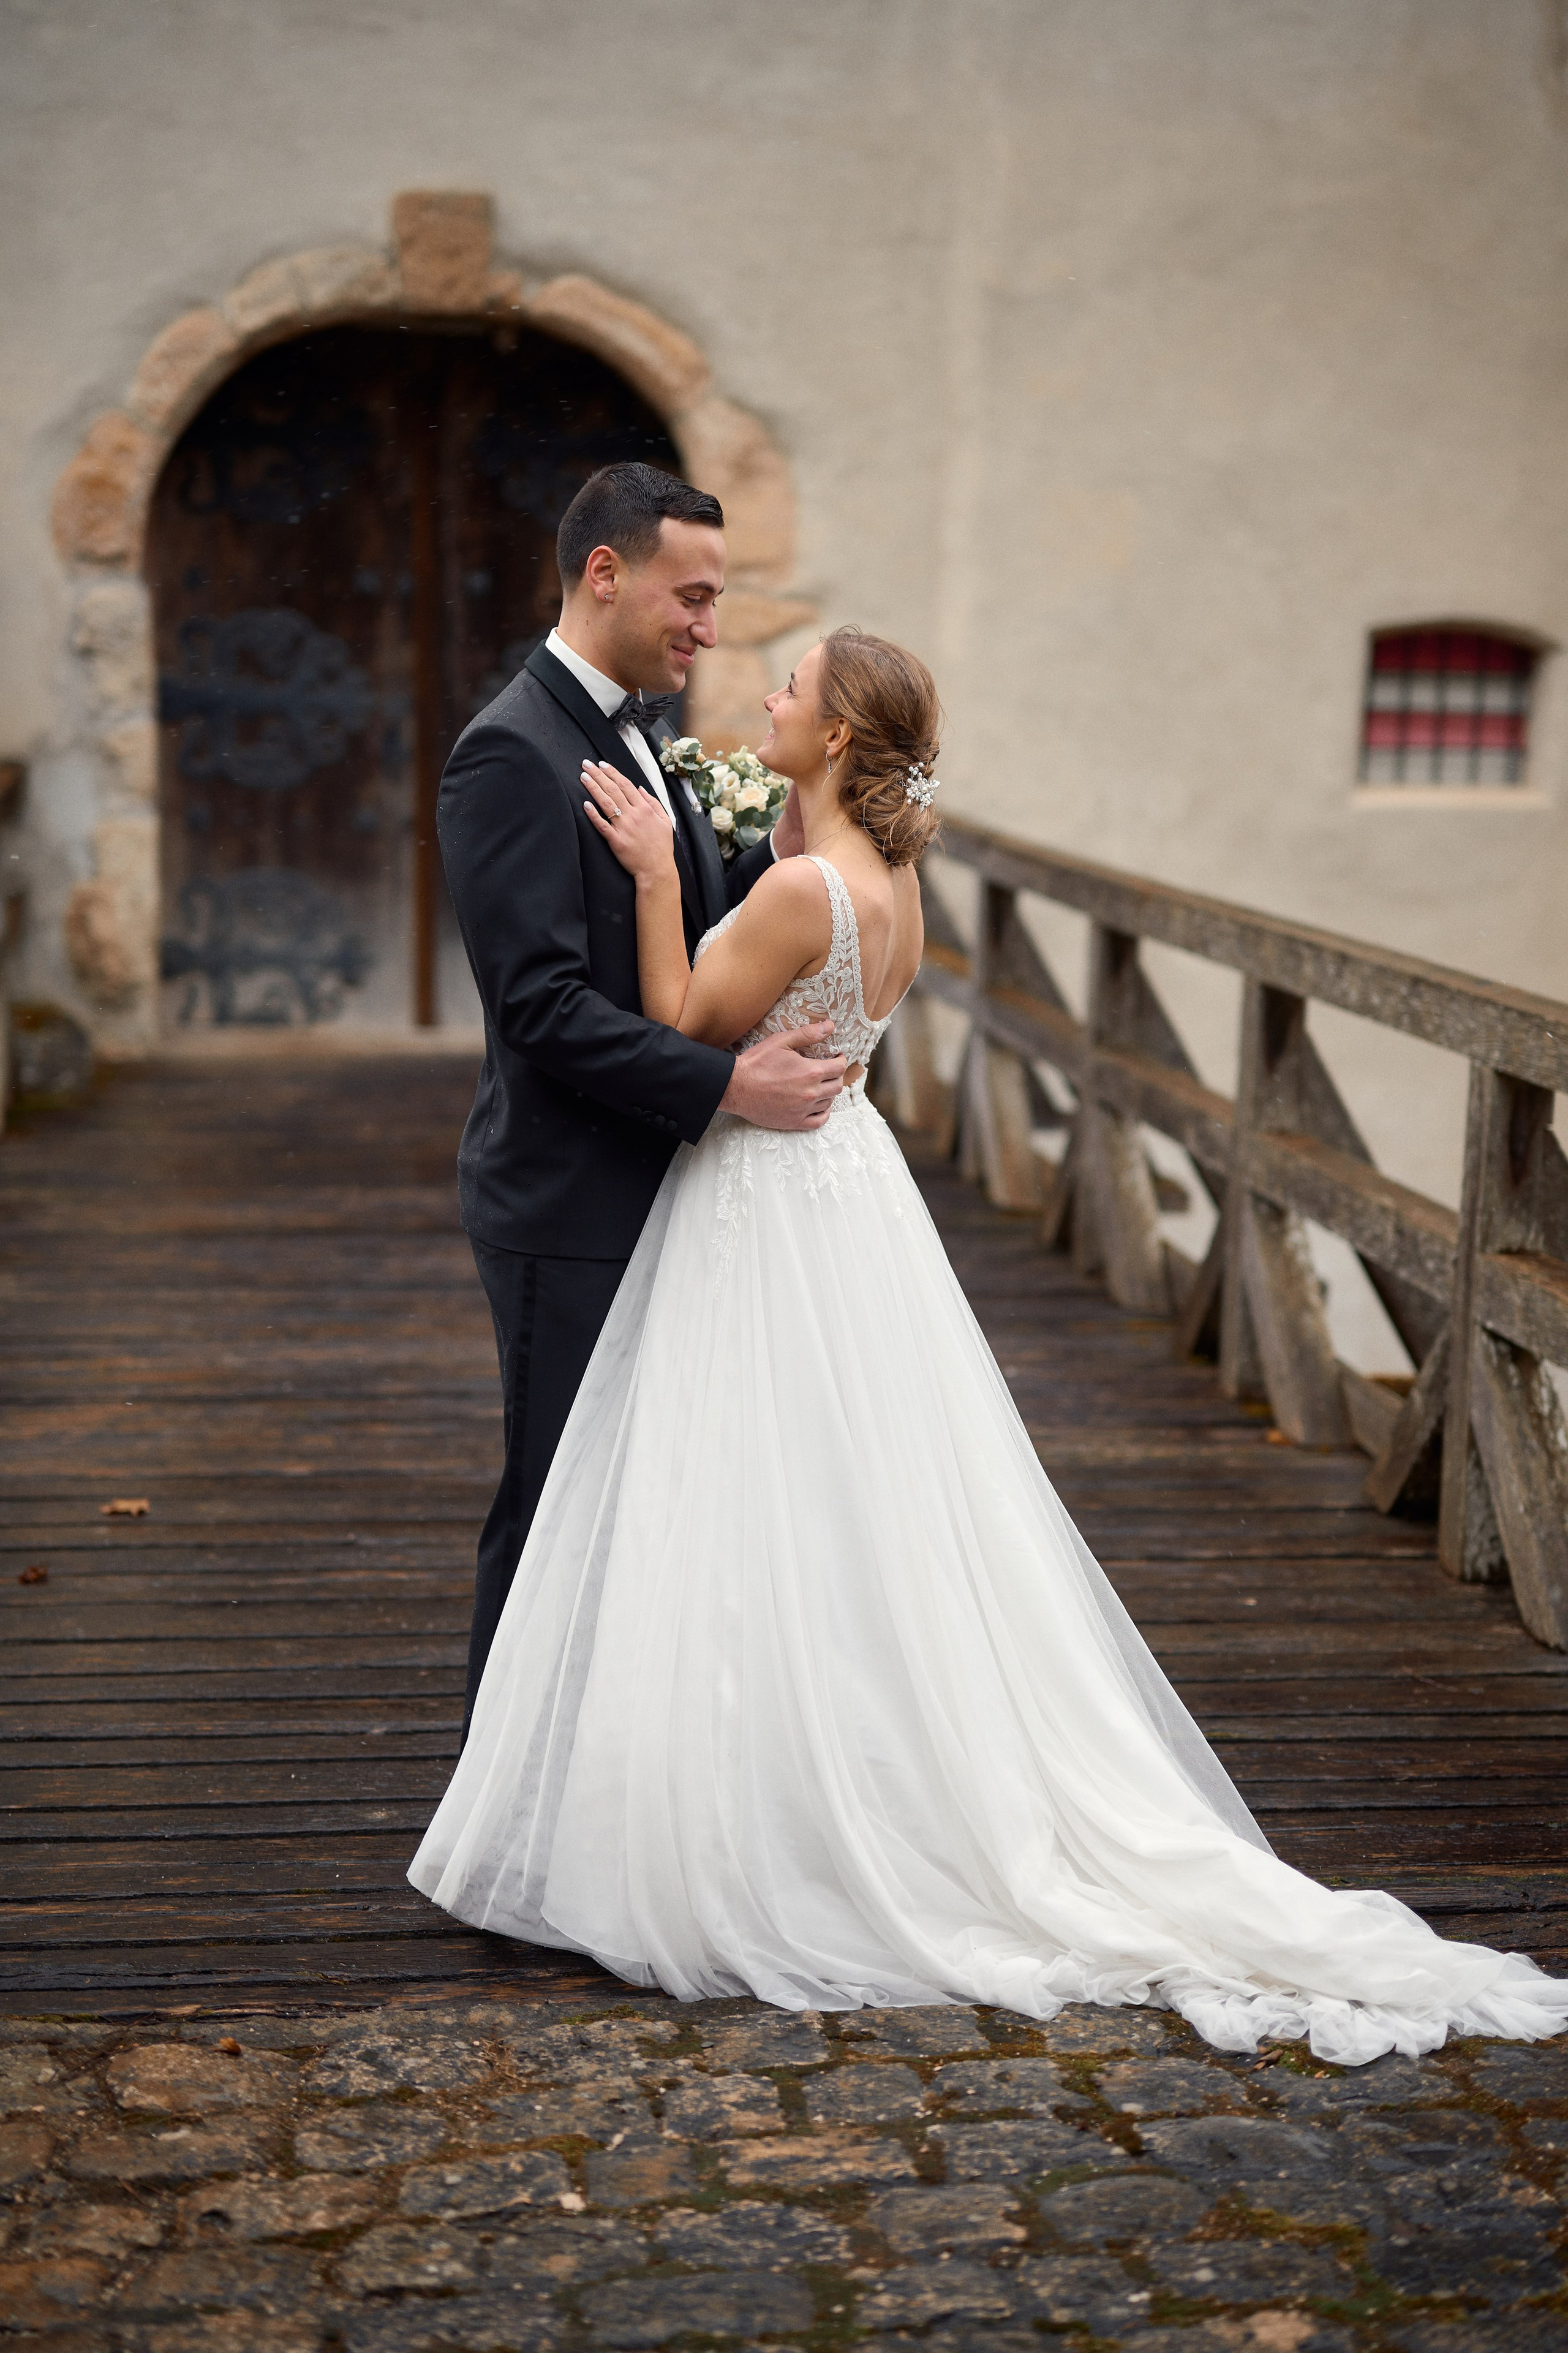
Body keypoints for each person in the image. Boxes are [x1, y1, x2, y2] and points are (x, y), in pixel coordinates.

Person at [412, 627, 1568, 2064]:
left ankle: (755, 1802)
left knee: (745, 1494)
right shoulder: (886, 880)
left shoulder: (793, 890)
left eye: (787, 688)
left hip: (765, 1204)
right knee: (862, 1503)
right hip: (854, 1198)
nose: (762, 698)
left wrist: (656, 874)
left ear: (837, 738)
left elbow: (675, 1022)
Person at [437, 463, 844, 1738]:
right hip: (565, 1198)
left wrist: (757, 864)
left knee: (641, 1499)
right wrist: (729, 1086)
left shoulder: (635, 729)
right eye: (692, 594)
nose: (709, 627)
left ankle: (600, 1777)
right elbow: (543, 1011)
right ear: (603, 572)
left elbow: (663, 925)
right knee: (555, 1503)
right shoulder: (509, 752)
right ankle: (496, 1804)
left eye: (716, 601)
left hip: (648, 1185)